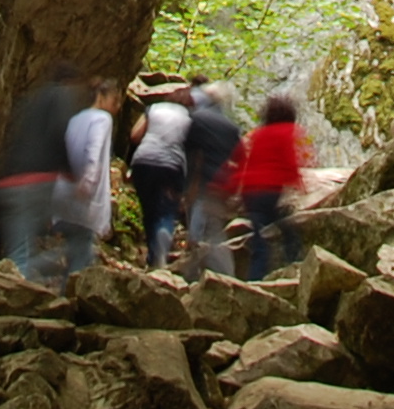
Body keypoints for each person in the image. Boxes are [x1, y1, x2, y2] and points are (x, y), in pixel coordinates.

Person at [0, 62, 85, 280]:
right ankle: (66, 262)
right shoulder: (61, 95)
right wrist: (72, 173)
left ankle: (13, 290)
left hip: (6, 184)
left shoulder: (30, 100)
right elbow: (60, 131)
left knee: (17, 253)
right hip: (36, 183)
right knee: (76, 239)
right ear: (70, 82)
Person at [231, 92, 308, 281]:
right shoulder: (285, 131)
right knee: (285, 231)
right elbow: (288, 160)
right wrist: (298, 181)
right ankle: (291, 267)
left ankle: (256, 278)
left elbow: (250, 161)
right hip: (269, 190)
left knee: (261, 234)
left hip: (250, 192)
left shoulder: (259, 133)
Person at [182, 82, 246, 276]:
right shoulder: (231, 127)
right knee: (214, 231)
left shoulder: (198, 119)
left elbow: (189, 152)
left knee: (199, 233)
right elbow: (240, 157)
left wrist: (185, 185)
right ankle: (221, 275)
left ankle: (194, 277)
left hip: (201, 183)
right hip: (221, 187)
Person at [128, 84, 194, 268]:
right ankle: (163, 237)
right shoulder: (189, 118)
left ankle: (152, 255)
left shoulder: (153, 109)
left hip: (143, 161)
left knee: (149, 211)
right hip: (171, 166)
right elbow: (191, 149)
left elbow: (135, 135)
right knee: (166, 209)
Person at [58, 78, 119, 275]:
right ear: (101, 97)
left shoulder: (76, 118)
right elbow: (94, 151)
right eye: (114, 101)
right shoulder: (102, 119)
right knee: (81, 257)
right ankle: (69, 300)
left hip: (63, 192)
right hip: (83, 196)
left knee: (76, 249)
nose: (116, 107)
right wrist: (89, 182)